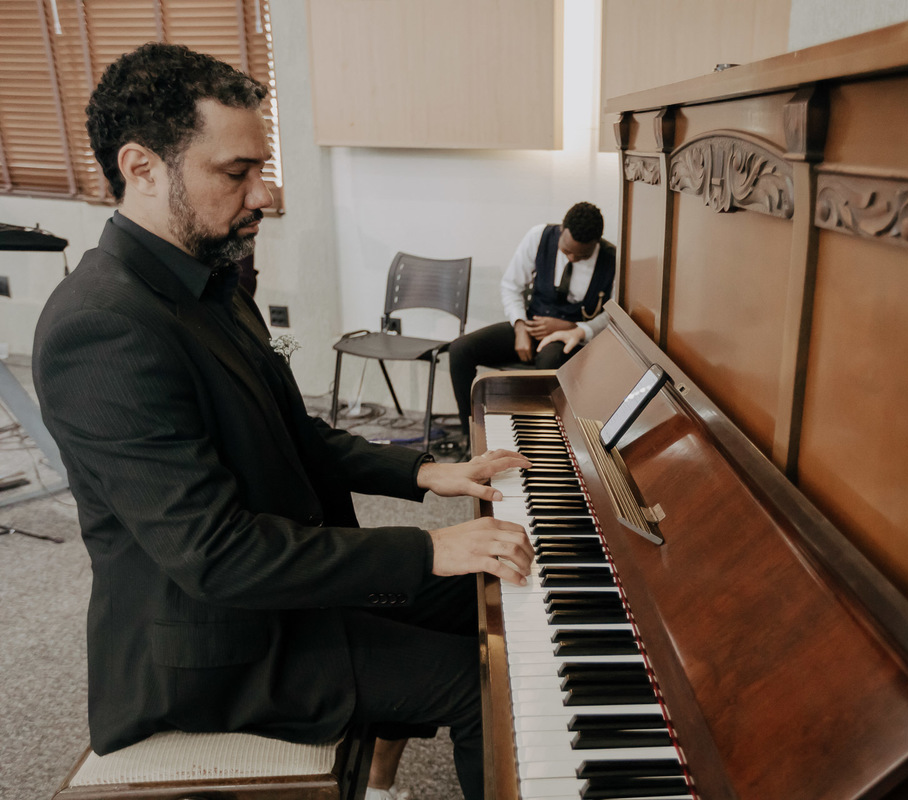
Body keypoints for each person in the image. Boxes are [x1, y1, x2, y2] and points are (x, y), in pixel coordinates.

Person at [31, 43, 533, 800]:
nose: (262, 194)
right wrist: (431, 548)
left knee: (504, 600)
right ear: (141, 168)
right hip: (217, 647)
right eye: (237, 173)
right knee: (481, 684)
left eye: (261, 169)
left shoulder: (210, 273)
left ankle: (381, 774)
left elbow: (293, 434)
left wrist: (428, 471)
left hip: (287, 589)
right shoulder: (101, 327)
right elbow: (218, 557)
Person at [448, 203, 615, 435]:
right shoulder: (539, 236)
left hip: (571, 341)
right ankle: (473, 434)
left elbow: (614, 314)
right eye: (566, 251)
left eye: (582, 255)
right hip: (530, 325)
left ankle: (533, 439)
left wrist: (577, 328)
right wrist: (519, 327)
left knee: (548, 363)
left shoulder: (612, 258)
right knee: (460, 349)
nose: (572, 258)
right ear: (561, 229)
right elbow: (511, 286)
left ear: (596, 243)